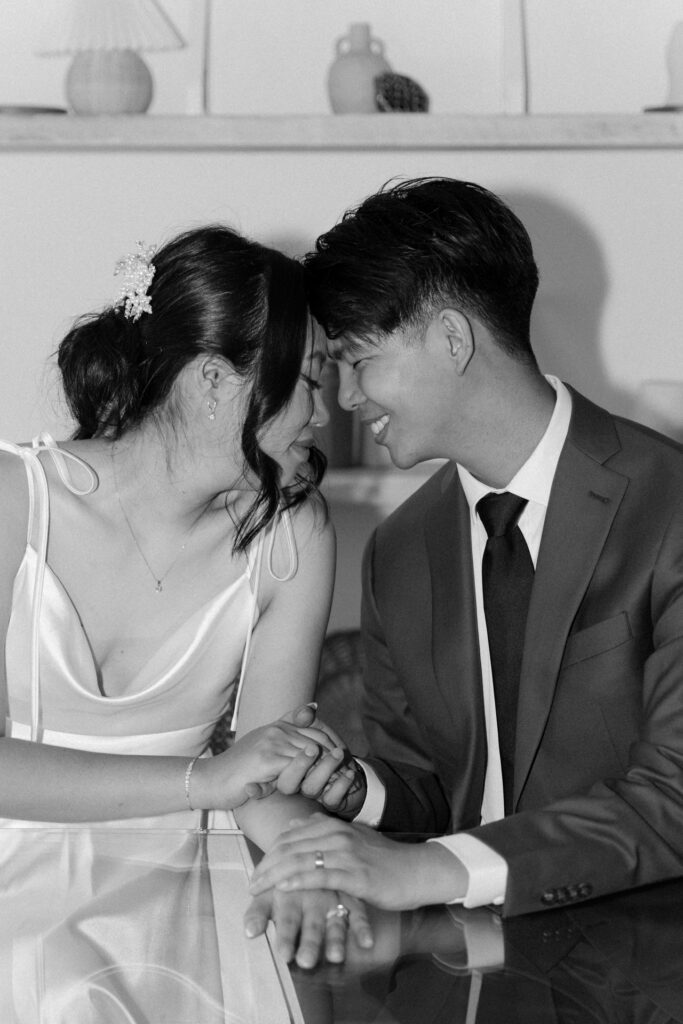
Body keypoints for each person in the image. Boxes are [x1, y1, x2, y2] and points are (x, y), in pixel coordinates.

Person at [248, 177, 683, 935]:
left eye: (359, 360)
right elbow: (436, 784)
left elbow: (673, 797)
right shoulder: (399, 551)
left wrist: (424, 869)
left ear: (453, 339)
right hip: (464, 959)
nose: (344, 399)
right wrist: (359, 792)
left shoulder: (667, 506)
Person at [0, 224, 372, 972]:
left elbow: (262, 779)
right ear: (212, 381)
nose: (324, 414)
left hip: (176, 922)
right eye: (309, 382)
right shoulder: (15, 500)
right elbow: (229, 777)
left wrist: (305, 864)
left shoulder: (292, 536)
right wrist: (206, 779)